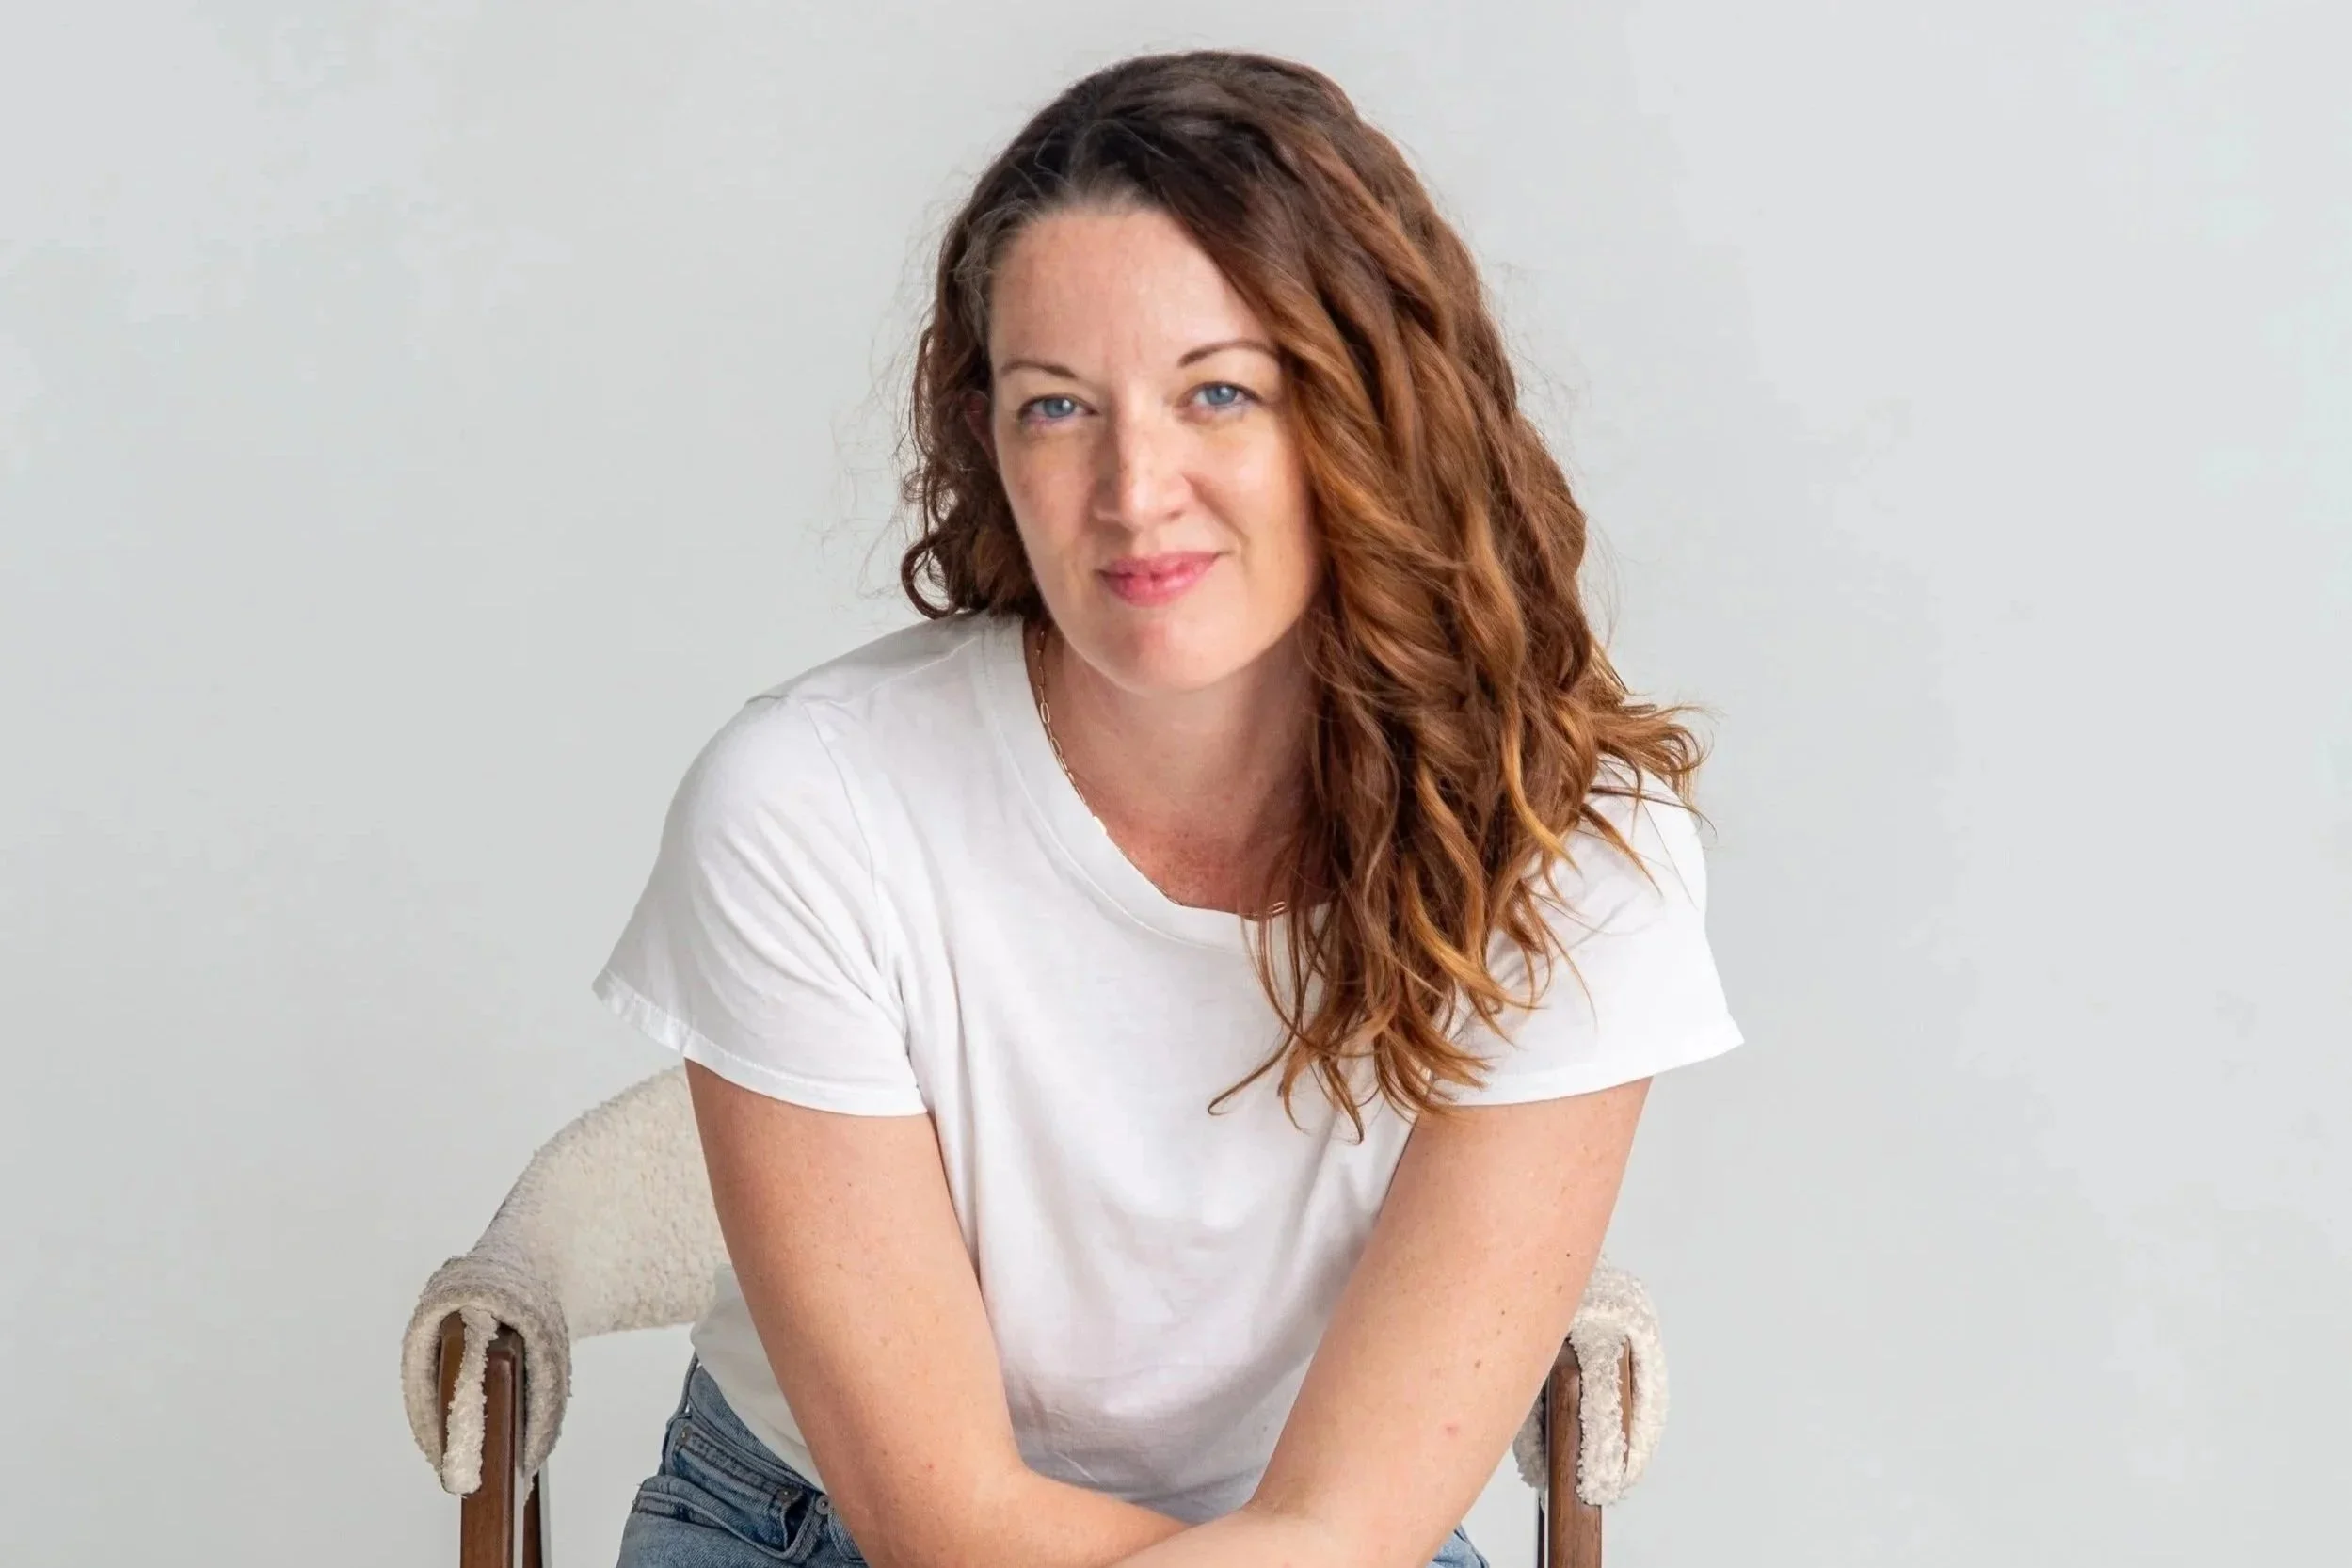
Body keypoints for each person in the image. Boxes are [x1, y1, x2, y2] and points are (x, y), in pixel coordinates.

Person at [593, 47, 1744, 1568]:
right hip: (827, 1537)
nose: (1136, 489)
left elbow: (1348, 1518)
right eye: (1059, 406)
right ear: (987, 439)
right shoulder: (810, 808)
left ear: (1368, 410)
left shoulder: (1561, 849)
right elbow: (945, 1517)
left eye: (1218, 392)